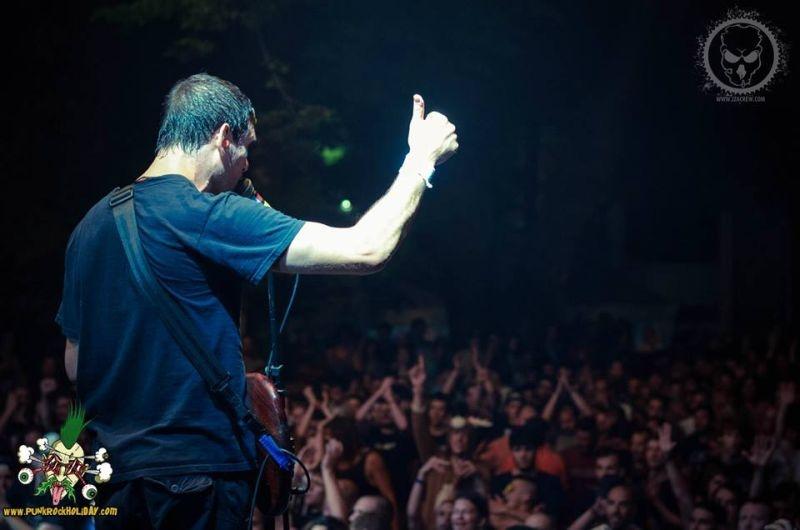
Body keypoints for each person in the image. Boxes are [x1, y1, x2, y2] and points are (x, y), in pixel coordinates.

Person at [55, 73, 458, 530]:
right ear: (224, 137)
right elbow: (367, 249)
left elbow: (76, 365)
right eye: (246, 148)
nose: (247, 165)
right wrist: (421, 161)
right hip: (196, 480)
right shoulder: (205, 213)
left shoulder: (89, 227)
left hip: (114, 479)